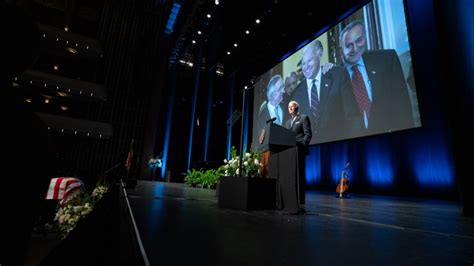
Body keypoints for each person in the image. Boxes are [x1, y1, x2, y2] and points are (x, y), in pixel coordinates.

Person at [339, 20, 414, 135]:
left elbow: (403, 109)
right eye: (349, 45)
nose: (355, 48)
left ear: (365, 37)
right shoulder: (334, 77)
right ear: (341, 47)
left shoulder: (388, 60)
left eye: (359, 40)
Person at [292, 40, 362, 144]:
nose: (305, 67)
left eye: (309, 61)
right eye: (303, 63)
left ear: (319, 56)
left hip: (341, 148)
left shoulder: (338, 75)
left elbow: (353, 117)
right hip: (311, 154)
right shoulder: (297, 93)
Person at [285, 101, 311, 208]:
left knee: (299, 175)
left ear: (297, 107)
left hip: (300, 150)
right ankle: (291, 198)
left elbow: (308, 134)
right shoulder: (287, 122)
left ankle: (300, 200)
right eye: (289, 107)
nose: (290, 108)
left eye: (292, 106)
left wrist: (303, 145)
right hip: (290, 152)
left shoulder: (303, 118)